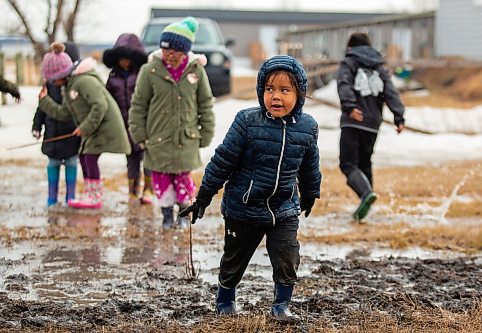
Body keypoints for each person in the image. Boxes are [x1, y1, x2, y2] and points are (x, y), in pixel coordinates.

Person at [179, 55, 321, 321]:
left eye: (284, 90)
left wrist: (311, 193)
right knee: (235, 258)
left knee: (287, 256)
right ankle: (225, 299)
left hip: (284, 208)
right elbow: (222, 161)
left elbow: (310, 166)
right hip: (243, 207)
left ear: (299, 93)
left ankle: (281, 306)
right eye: (269, 89)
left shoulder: (308, 127)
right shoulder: (247, 122)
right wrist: (203, 197)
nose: (275, 96)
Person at [129, 16, 215, 228]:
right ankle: (167, 216)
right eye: (167, 50)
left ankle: (184, 215)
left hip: (186, 138)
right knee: (162, 180)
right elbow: (139, 105)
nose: (171, 55)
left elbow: (205, 103)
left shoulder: (196, 71)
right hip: (157, 138)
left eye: (176, 51)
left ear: (185, 51)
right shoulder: (149, 71)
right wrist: (139, 134)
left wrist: (206, 133)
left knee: (184, 180)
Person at [38, 42, 131, 209]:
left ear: (62, 74)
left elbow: (100, 106)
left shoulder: (84, 81)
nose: (52, 82)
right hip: (94, 128)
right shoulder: (68, 87)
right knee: (84, 156)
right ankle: (91, 194)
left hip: (105, 126)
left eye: (53, 79)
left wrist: (85, 127)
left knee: (89, 157)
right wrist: (45, 102)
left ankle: (95, 197)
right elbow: (64, 113)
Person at [336, 32, 405, 221]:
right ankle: (367, 199)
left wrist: (350, 107)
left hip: (353, 120)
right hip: (373, 123)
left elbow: (344, 84)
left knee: (348, 164)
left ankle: (366, 195)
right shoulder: (379, 67)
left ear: (350, 47)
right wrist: (399, 116)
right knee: (365, 162)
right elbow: (390, 92)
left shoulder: (348, 63)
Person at [103, 33, 153, 205]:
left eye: (127, 58)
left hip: (143, 124)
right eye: (121, 59)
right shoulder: (113, 77)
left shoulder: (142, 74)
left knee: (147, 159)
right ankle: (133, 190)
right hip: (124, 125)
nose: (124, 62)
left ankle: (148, 189)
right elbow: (107, 100)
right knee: (131, 160)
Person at [32, 42, 81, 207]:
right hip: (52, 134)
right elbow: (41, 108)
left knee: (71, 163)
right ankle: (51, 197)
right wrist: (36, 126)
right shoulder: (49, 85)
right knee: (52, 163)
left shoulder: (74, 86)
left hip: (71, 133)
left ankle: (71, 197)